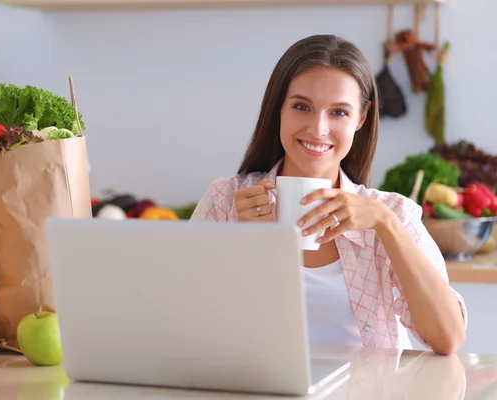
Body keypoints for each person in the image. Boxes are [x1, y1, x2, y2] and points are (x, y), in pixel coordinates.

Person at [189, 34, 467, 355]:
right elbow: (181, 321)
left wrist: (385, 224)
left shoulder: (393, 213)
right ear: (278, 106)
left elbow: (447, 339)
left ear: (360, 118)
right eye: (301, 106)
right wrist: (238, 245)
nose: (318, 128)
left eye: (338, 112)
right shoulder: (226, 200)